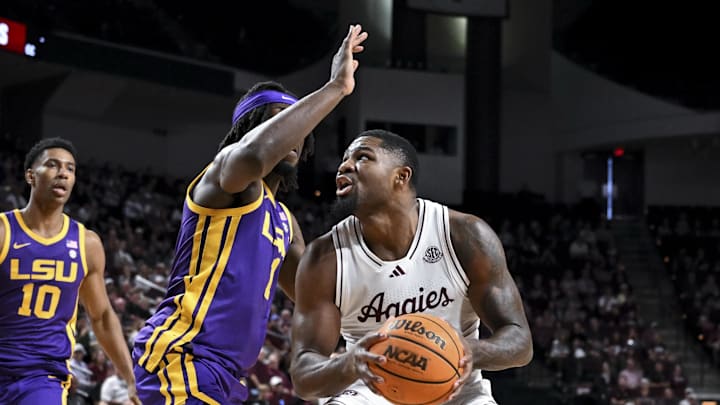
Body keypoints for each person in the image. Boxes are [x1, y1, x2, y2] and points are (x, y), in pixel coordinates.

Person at [132, 24, 369, 404]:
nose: (293, 132)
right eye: (277, 118)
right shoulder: (227, 175)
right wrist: (336, 88)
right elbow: (256, 156)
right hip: (182, 358)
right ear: (251, 129)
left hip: (228, 376)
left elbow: (313, 297)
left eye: (296, 122)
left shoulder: (284, 221)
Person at [289, 130, 533, 404]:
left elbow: (520, 342)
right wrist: (349, 363)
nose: (344, 166)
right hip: (371, 388)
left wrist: (465, 352)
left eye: (362, 157)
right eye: (344, 159)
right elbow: (303, 377)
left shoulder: (464, 235)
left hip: (455, 387)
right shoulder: (324, 258)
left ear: (401, 177)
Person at [0, 137, 139, 404]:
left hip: (43, 377)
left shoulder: (86, 243)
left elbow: (100, 316)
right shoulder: (4, 232)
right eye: (52, 165)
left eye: (70, 168)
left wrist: (130, 378)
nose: (63, 173)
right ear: (31, 175)